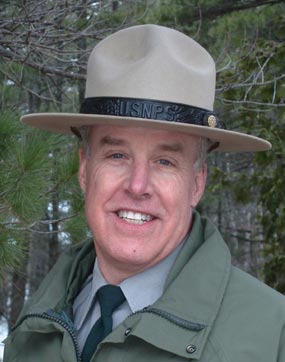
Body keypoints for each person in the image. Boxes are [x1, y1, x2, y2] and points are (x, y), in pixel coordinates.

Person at [3, 24, 285, 362]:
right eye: (117, 155)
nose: (137, 186)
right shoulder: (35, 325)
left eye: (165, 161)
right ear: (84, 168)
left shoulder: (272, 336)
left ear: (197, 182)